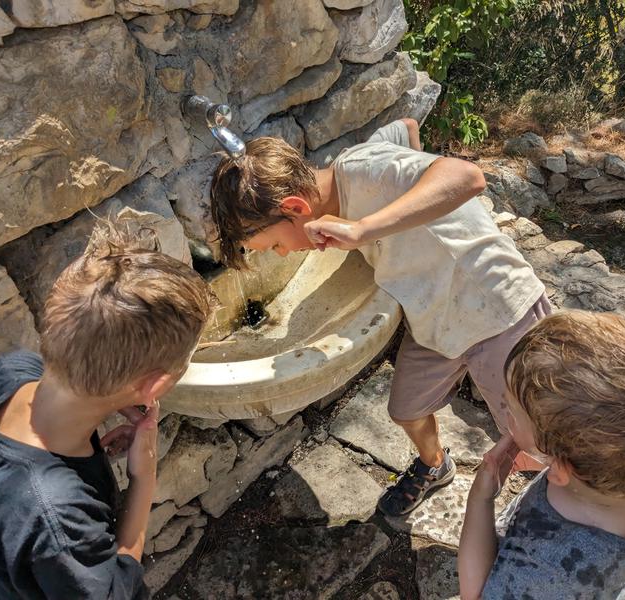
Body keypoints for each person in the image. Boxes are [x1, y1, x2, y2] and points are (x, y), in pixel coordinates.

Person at [210, 118, 550, 516]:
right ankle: (435, 464)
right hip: (436, 321)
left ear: (296, 208)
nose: (282, 254)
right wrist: (410, 217)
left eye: (274, 245)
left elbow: (467, 176)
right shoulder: (357, 166)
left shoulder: (365, 171)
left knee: (535, 436)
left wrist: (364, 229)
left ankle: (557, 510)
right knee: (406, 409)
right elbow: (405, 128)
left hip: (497, 312)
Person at [0, 220, 213, 599]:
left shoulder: (11, 371)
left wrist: (95, 445)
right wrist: (143, 479)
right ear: (154, 387)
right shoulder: (60, 522)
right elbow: (116, 587)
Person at [458, 311, 625, 600]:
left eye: (510, 410)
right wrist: (545, 459)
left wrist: (481, 498)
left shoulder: (544, 572)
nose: (504, 410)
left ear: (562, 470)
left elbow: (475, 594)